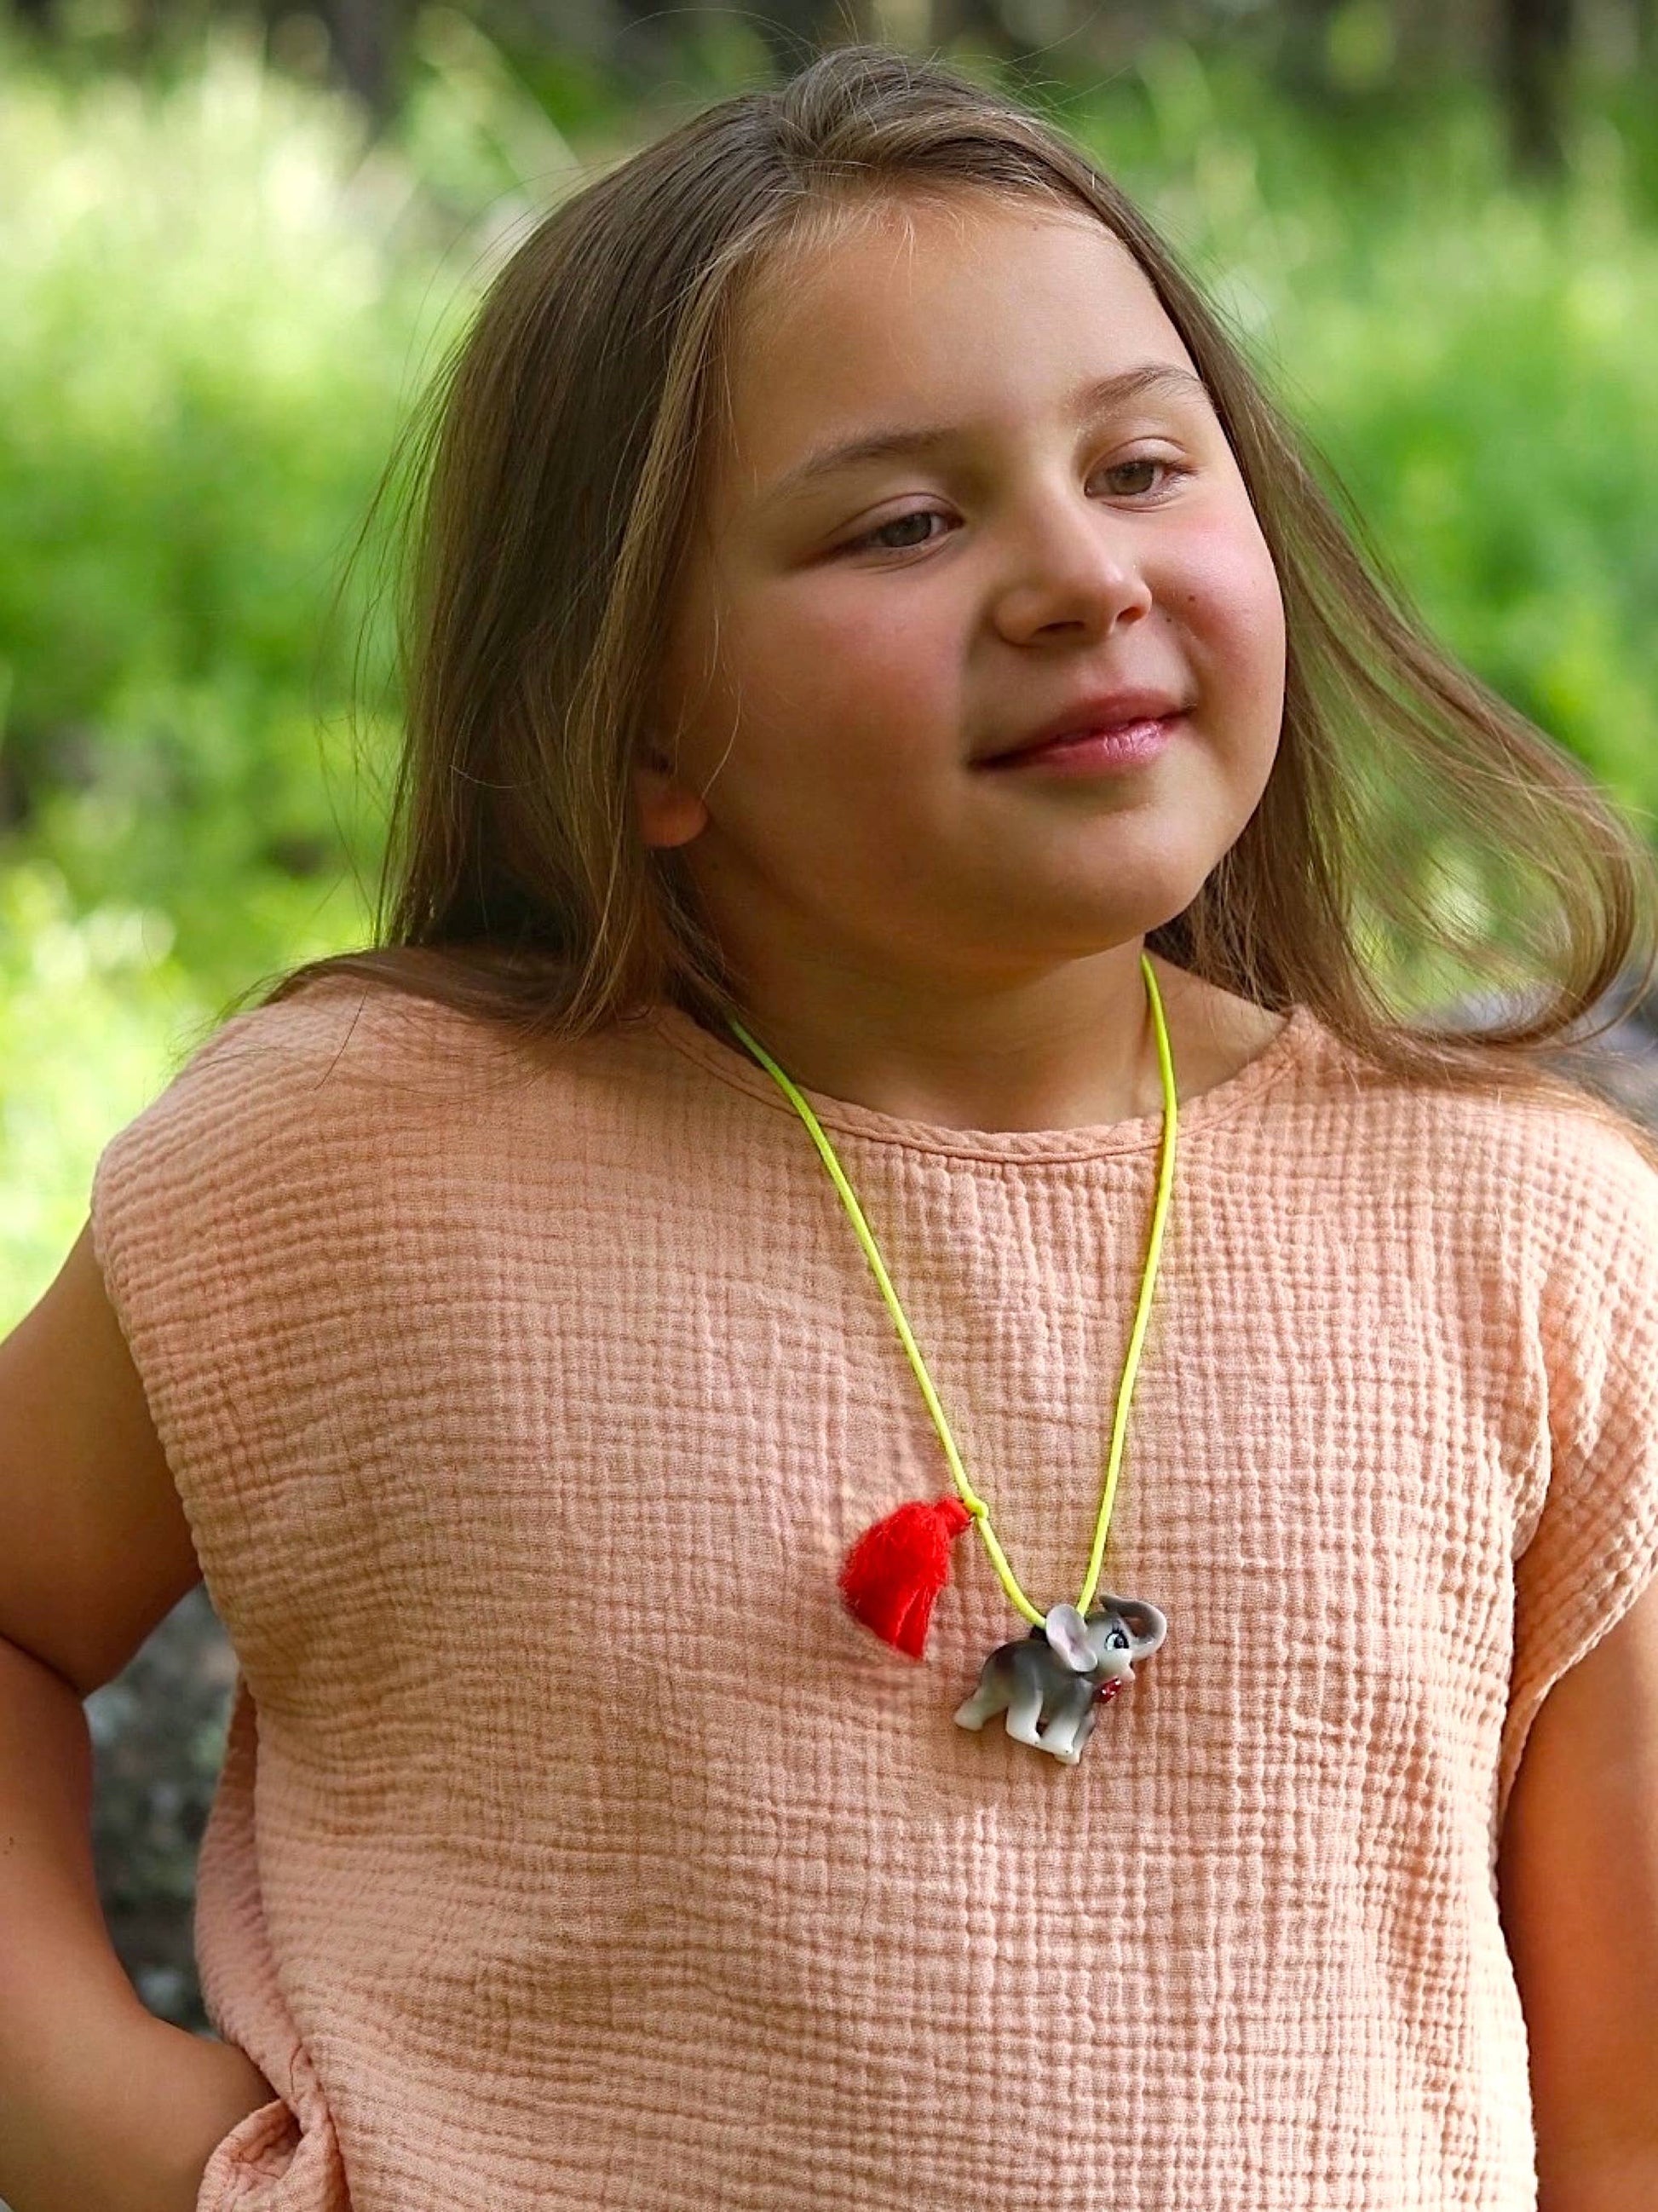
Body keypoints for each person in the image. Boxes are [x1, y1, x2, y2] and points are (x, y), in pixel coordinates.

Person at [3, 40, 1656, 2212]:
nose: (1081, 575)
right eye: (904, 519)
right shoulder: (352, 1168)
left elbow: (1621, 2113)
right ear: (638, 719)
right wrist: (110, 2130)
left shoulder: (1524, 1232)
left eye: (1144, 465)